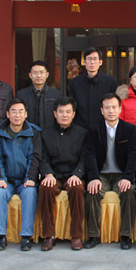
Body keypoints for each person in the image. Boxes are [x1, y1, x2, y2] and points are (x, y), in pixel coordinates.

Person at [84, 93, 136, 250]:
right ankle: (93, 235)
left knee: (129, 191)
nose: (111, 111)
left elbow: (133, 155)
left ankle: (126, 235)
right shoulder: (94, 130)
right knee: (92, 191)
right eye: (107, 108)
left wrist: (128, 177)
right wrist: (93, 177)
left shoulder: (129, 129)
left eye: (114, 107)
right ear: (102, 111)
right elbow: (90, 155)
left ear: (120, 109)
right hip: (101, 175)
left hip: (121, 174)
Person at [38, 96, 89, 251]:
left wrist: (77, 174)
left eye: (68, 112)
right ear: (55, 114)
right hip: (54, 174)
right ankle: (48, 235)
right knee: (45, 188)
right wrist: (48, 174)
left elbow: (85, 158)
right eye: (61, 112)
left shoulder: (82, 133)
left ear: (73, 114)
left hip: (73, 174)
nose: (64, 115)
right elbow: (43, 158)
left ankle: (76, 236)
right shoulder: (45, 134)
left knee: (77, 188)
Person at [0, 99, 41, 252]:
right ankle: (1, 236)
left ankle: (26, 236)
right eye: (13, 111)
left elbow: (34, 158)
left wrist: (30, 178)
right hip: (7, 181)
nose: (17, 115)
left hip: (25, 181)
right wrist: (0, 179)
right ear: (7, 114)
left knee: (30, 193)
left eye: (20, 111)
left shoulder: (33, 132)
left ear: (26, 114)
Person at [69, 47, 118, 129]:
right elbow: (72, 105)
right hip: (80, 128)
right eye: (89, 59)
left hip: (103, 128)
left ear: (100, 62)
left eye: (95, 59)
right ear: (84, 62)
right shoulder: (75, 82)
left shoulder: (110, 82)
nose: (92, 62)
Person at [16, 60, 60, 131]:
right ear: (30, 75)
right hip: (28, 133)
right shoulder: (21, 95)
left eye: (41, 72)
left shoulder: (56, 94)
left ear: (47, 74)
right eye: (35, 73)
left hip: (50, 133)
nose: (38, 76)